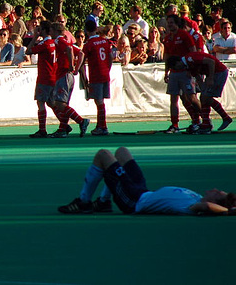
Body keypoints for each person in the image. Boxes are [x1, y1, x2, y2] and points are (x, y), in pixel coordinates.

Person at [58, 147, 236, 216]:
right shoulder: (196, 197)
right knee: (122, 152)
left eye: (217, 192)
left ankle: (84, 202)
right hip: (142, 190)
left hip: (133, 200)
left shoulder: (193, 207)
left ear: (214, 201)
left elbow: (207, 208)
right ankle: (103, 203)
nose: (214, 188)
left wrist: (229, 212)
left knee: (103, 155)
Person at [167, 53, 232, 133]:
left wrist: (211, 77)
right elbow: (198, 78)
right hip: (212, 74)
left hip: (219, 72)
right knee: (204, 98)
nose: (177, 69)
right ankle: (206, 124)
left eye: (175, 67)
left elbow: (211, 62)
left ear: (178, 62)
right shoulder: (188, 66)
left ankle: (224, 118)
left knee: (206, 98)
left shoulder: (190, 58)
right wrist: (203, 89)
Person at [49, 22, 89, 138]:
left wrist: (71, 66)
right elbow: (81, 53)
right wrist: (76, 69)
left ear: (56, 31)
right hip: (68, 75)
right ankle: (62, 129)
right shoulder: (69, 42)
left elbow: (69, 50)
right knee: (64, 103)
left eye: (51, 30)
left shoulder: (59, 40)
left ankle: (81, 121)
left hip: (64, 74)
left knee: (59, 103)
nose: (50, 33)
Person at [163, 14, 198, 133]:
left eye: (171, 22)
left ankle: (202, 120)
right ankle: (175, 124)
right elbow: (167, 56)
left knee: (191, 98)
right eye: (168, 23)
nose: (169, 25)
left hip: (185, 71)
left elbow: (193, 51)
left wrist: (190, 68)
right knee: (174, 99)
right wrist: (166, 72)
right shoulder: (167, 38)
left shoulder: (184, 35)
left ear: (176, 23)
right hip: (174, 72)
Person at [80, 20, 113, 136]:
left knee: (98, 101)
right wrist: (107, 69)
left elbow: (82, 60)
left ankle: (102, 126)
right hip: (105, 73)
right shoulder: (105, 41)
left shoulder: (88, 44)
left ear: (86, 30)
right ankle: (102, 125)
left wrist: (83, 77)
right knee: (101, 101)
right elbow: (110, 57)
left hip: (96, 75)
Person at [27, 21, 57, 138]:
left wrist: (34, 37)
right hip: (53, 76)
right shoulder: (54, 42)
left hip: (44, 77)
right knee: (51, 103)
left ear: (44, 31)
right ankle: (64, 123)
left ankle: (42, 129)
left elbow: (28, 51)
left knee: (40, 102)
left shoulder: (44, 44)